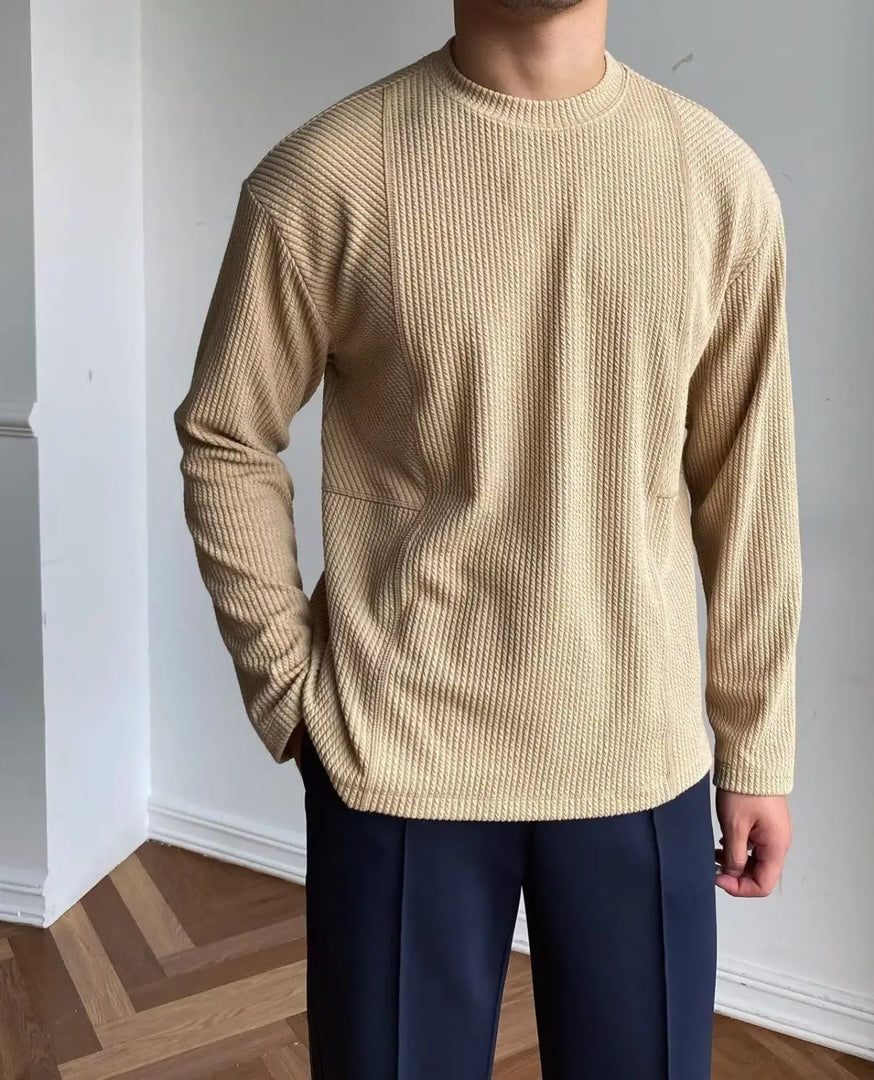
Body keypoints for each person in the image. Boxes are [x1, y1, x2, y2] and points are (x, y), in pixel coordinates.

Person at [172, 0, 802, 1076]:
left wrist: (758, 743)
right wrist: (288, 689)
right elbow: (226, 434)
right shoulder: (323, 178)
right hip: (397, 759)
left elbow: (748, 483)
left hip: (636, 757)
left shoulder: (716, 184)